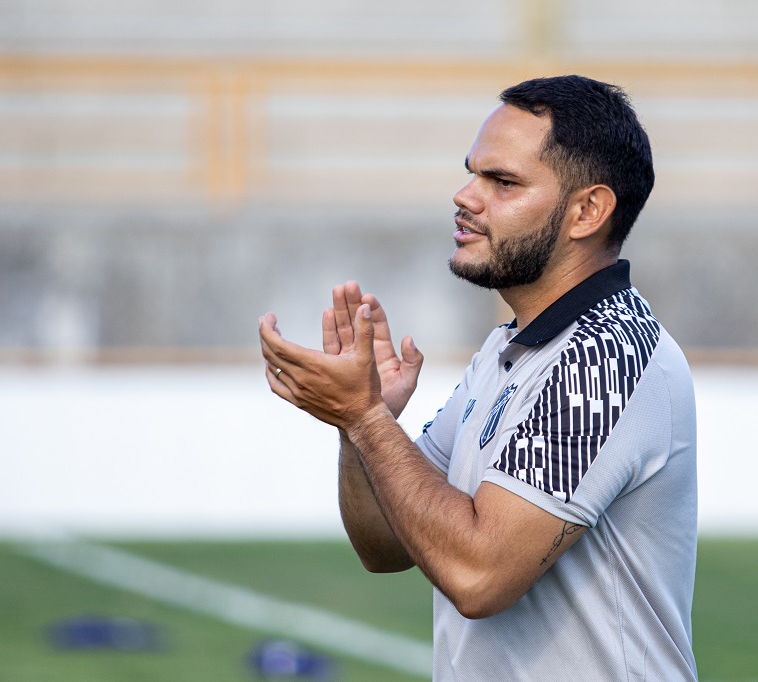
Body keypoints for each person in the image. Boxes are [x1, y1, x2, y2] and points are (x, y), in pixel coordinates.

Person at [259, 75, 698, 681]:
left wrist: (363, 416)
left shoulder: (604, 356)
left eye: (503, 182)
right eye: (473, 173)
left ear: (588, 211)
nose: (465, 196)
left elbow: (479, 576)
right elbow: (385, 546)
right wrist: (365, 424)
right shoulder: (508, 347)